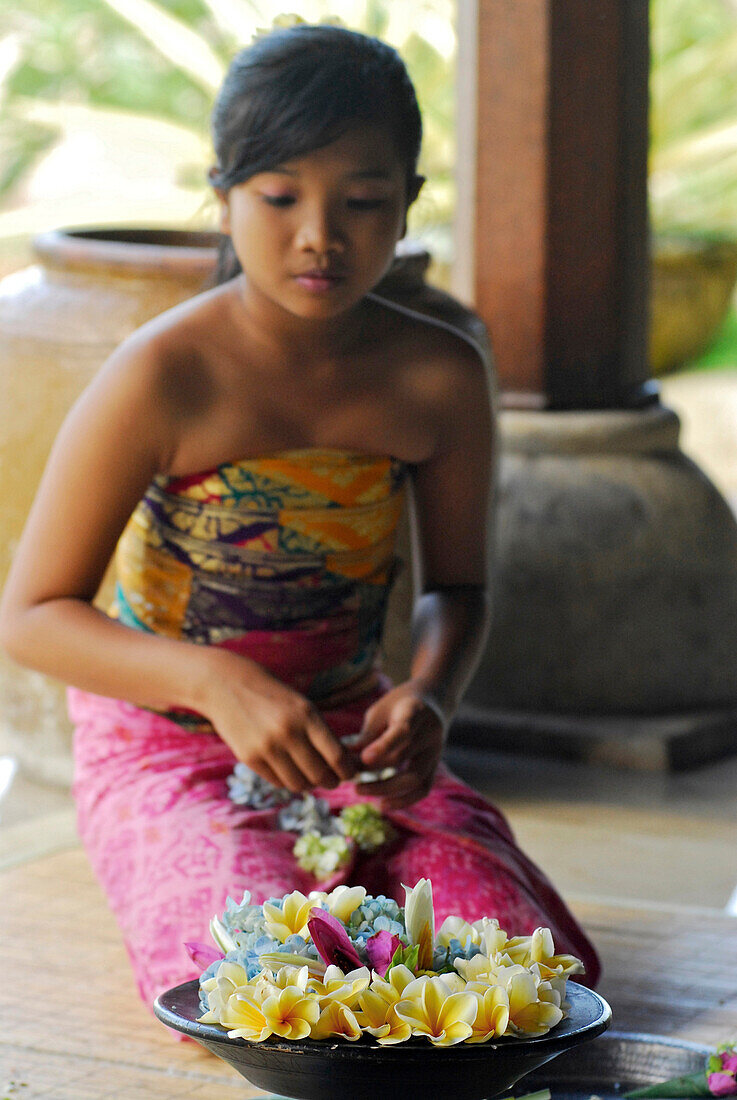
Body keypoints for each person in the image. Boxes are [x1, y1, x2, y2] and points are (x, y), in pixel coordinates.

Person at [0, 23, 600, 1008]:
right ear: (223, 195)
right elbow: (30, 613)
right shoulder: (160, 374)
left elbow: (456, 587)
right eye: (279, 198)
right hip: (167, 735)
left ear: (406, 203)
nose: (319, 234)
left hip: (349, 732)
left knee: (513, 969)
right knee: (263, 981)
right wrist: (212, 679)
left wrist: (429, 698)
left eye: (362, 202)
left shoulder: (438, 373)